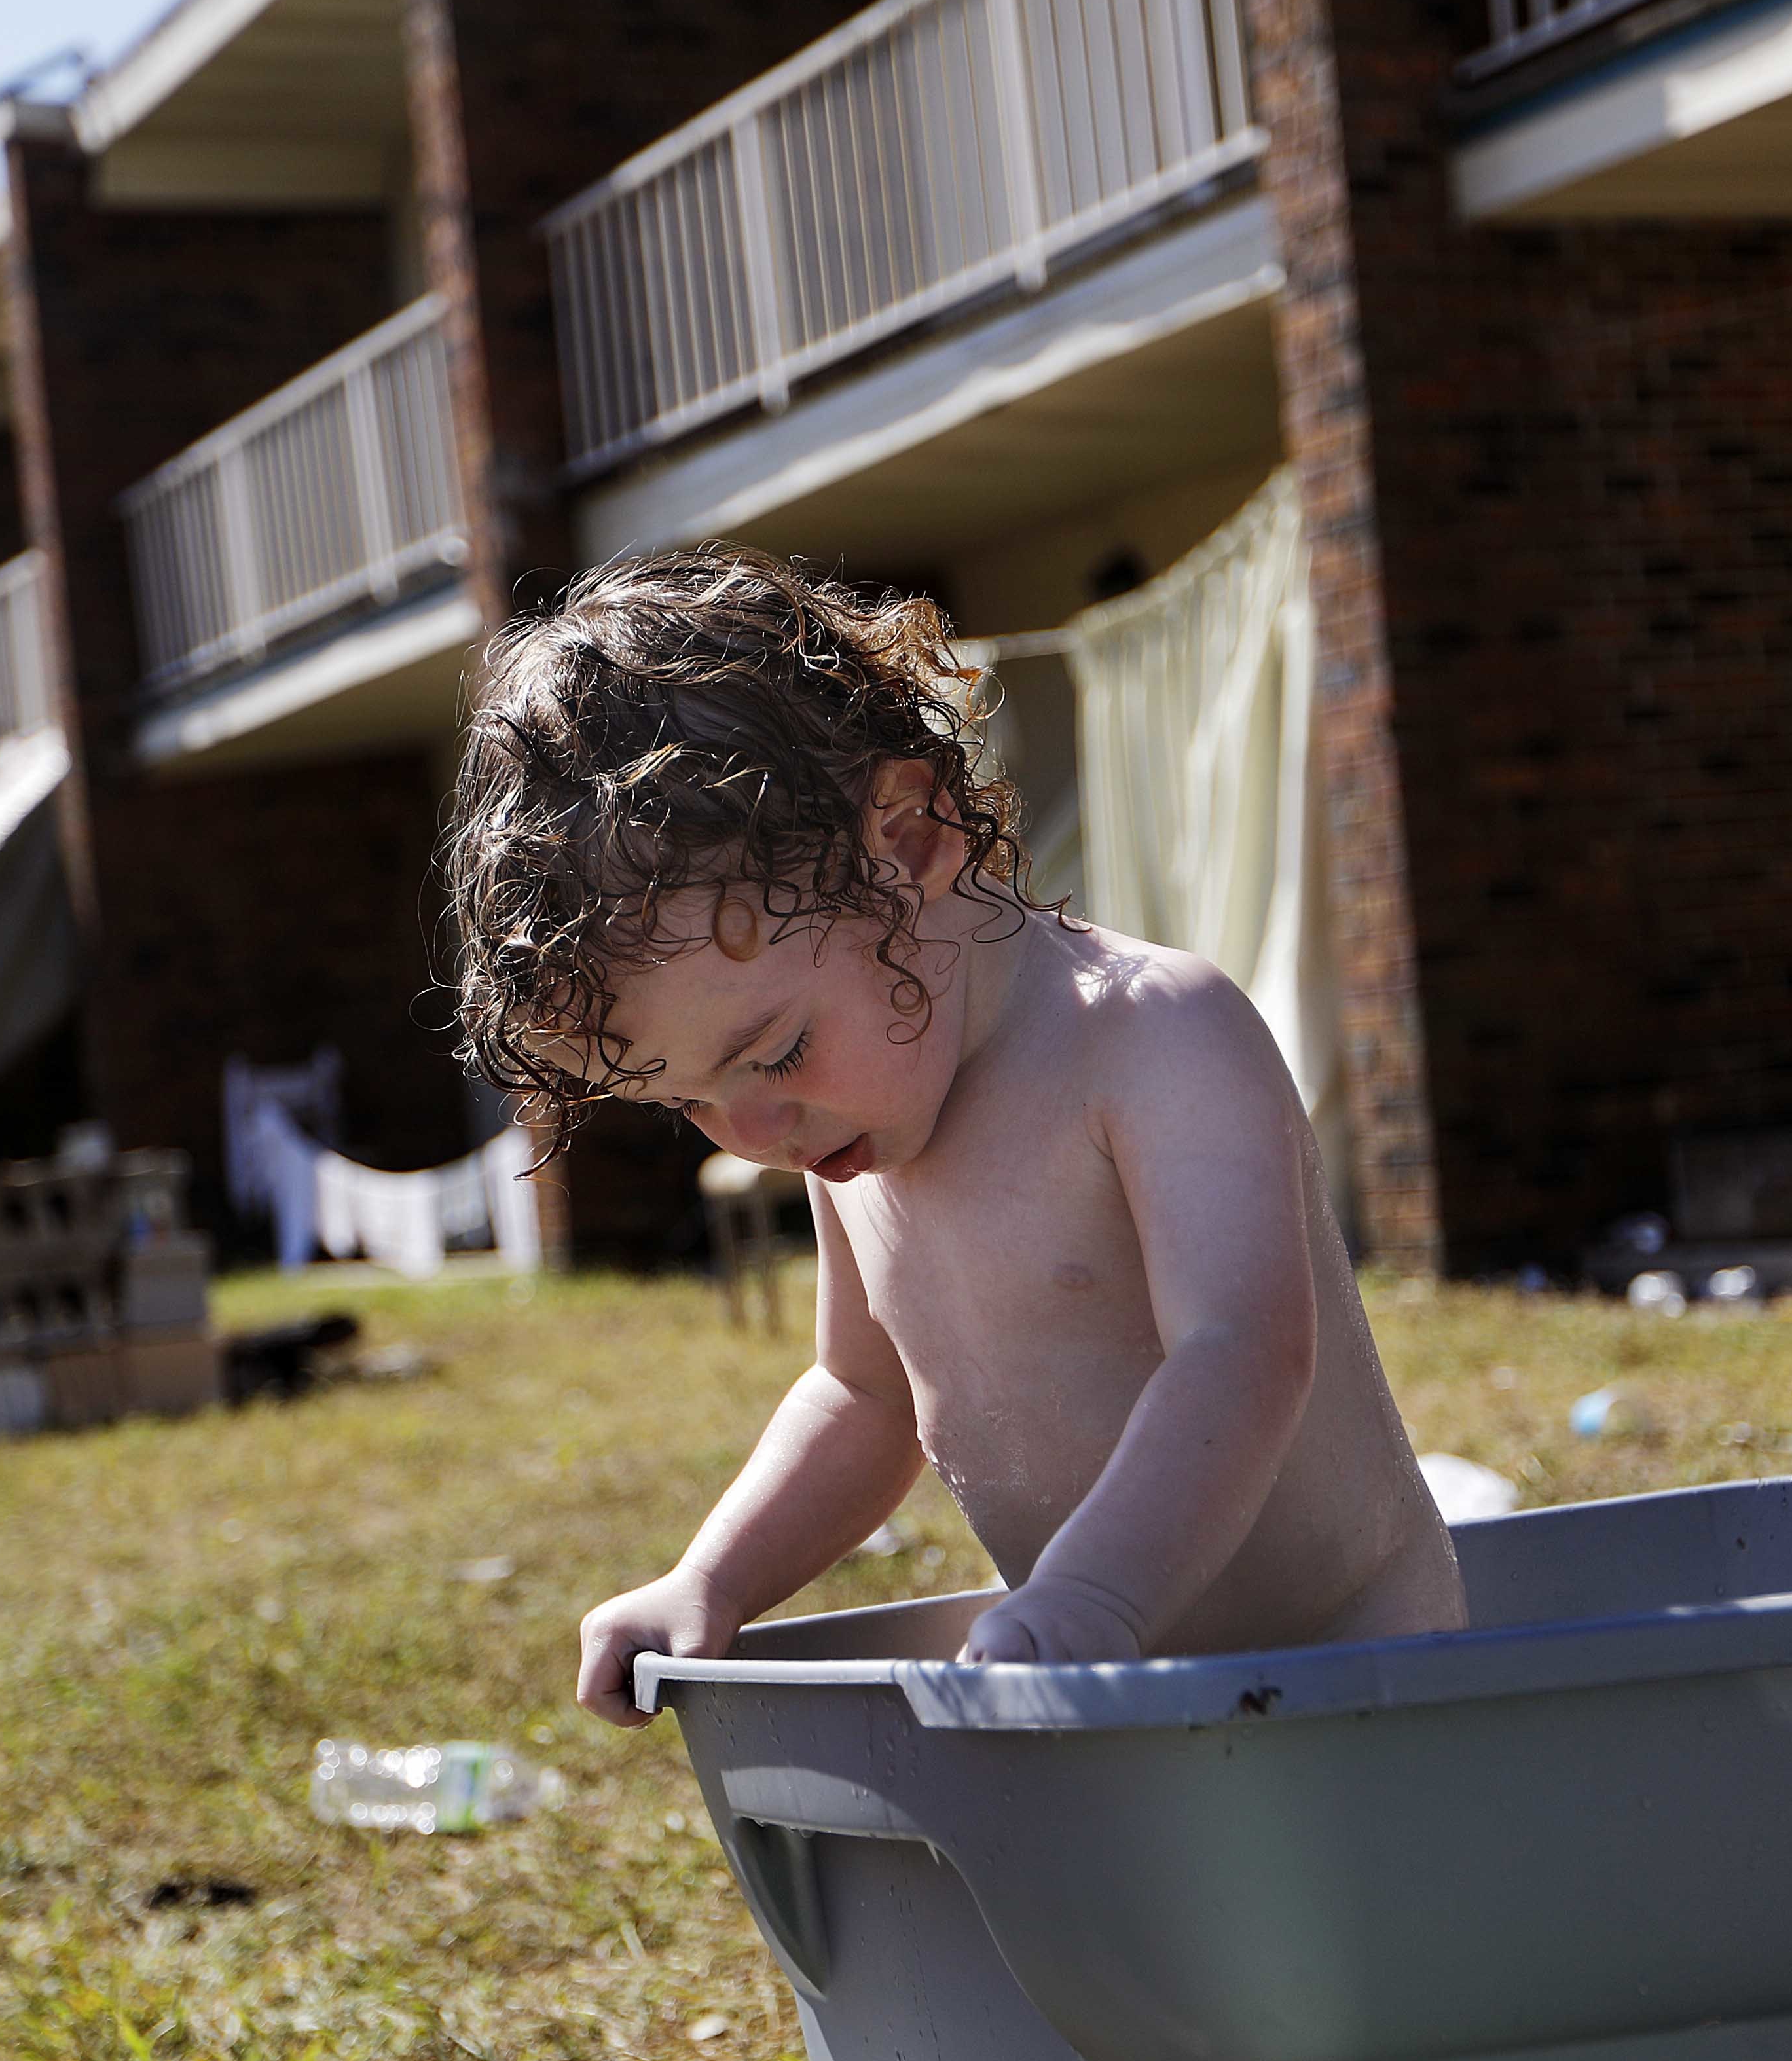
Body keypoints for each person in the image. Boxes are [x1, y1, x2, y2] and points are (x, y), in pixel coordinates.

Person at [441, 545, 1464, 1723]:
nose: (752, 1129)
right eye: (687, 1098)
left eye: (771, 1052)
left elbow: (1240, 1352)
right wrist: (709, 1580)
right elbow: (862, 1396)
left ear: (913, 842)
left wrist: (1092, 1595)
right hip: (1104, 1686)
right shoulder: (853, 1126)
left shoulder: (1149, 1038)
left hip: (1364, 1671)